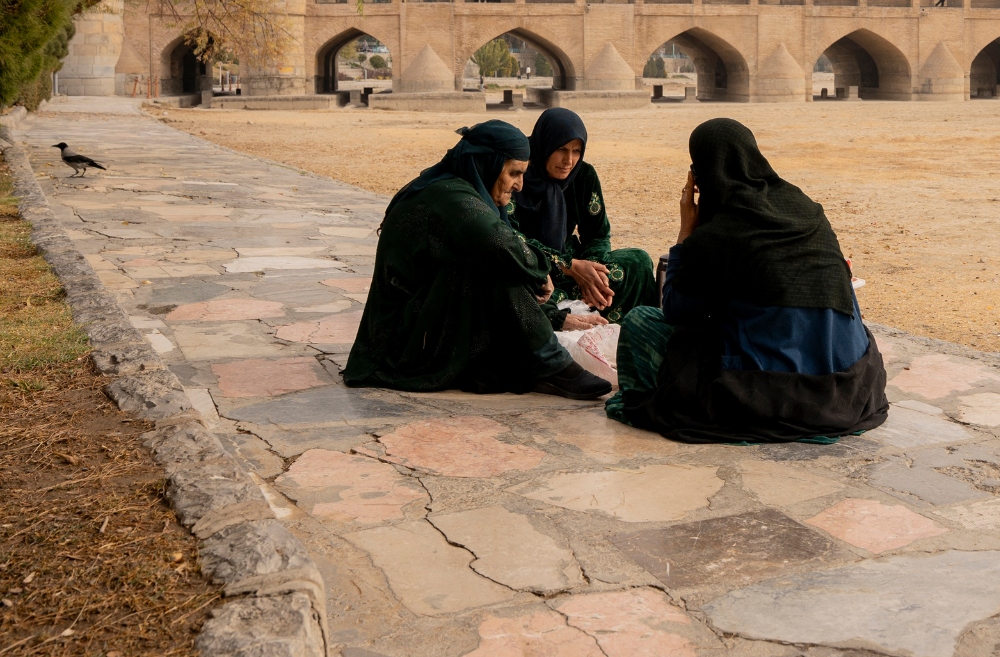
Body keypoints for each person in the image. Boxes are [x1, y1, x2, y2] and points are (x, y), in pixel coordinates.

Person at [606, 118, 888, 443]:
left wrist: (686, 231)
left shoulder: (717, 236)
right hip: (853, 389)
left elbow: (675, 310)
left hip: (774, 395)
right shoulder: (807, 211)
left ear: (701, 177)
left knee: (643, 321)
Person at [343, 120, 611, 399]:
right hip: (399, 348)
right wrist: (543, 271)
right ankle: (550, 365)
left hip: (426, 321)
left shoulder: (461, 189)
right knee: (494, 266)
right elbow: (504, 246)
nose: (519, 185)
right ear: (487, 163)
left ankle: (538, 362)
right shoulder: (450, 198)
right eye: (514, 173)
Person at [510, 108, 658, 331]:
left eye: (576, 151)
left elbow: (597, 234)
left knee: (638, 262)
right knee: (528, 292)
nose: (569, 160)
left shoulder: (583, 175)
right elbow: (512, 238)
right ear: (544, 144)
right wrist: (567, 266)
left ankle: (633, 334)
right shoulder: (517, 173)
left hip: (576, 263)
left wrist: (592, 274)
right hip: (531, 267)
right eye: (561, 149)